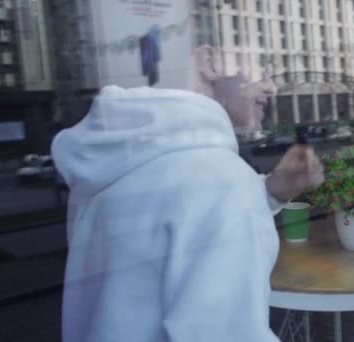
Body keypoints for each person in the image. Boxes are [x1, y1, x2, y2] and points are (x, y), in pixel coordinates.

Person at [52, 22, 324, 342]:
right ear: (209, 63)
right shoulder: (222, 183)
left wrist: (269, 193)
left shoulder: (124, 159)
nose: (271, 87)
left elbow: (162, 240)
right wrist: (246, 197)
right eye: (260, 69)